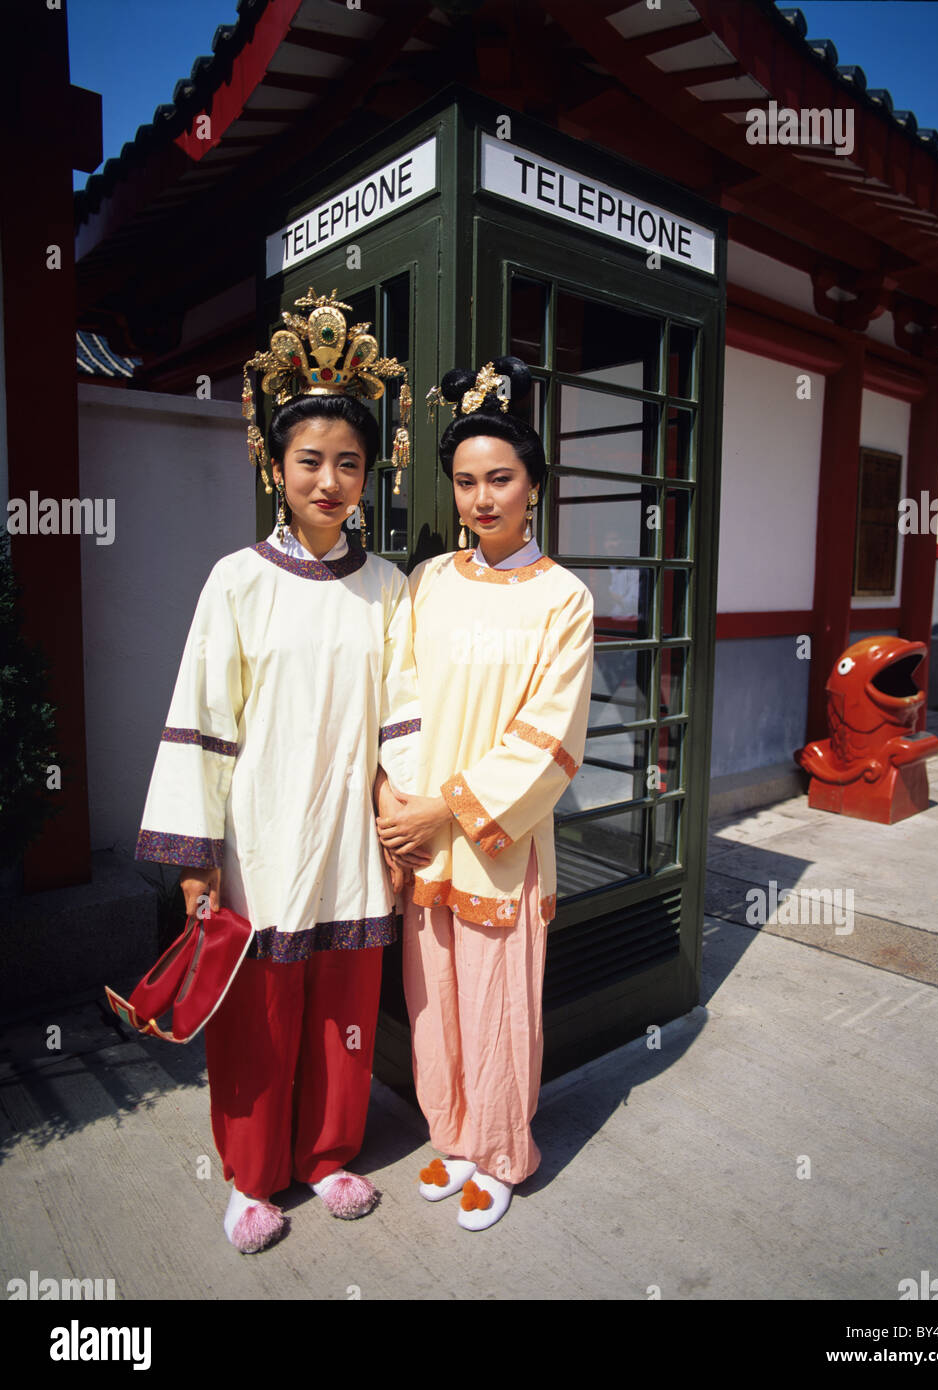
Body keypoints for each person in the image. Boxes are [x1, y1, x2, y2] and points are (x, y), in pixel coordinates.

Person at [135, 289, 420, 1253]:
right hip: (259, 839)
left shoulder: (388, 588)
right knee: (256, 1015)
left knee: (344, 1005)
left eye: (349, 462)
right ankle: (252, 1179)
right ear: (275, 465)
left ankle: (330, 1153)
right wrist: (195, 854)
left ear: (369, 472)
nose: (331, 480)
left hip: (348, 838)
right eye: (311, 461)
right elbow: (201, 720)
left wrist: (404, 823)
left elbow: (403, 719)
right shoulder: (238, 580)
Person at [376, 357, 594, 1231]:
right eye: (465, 481)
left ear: (533, 485)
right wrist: (401, 800)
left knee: (501, 1004)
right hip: (424, 834)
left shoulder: (563, 600)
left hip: (499, 840)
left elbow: (549, 737)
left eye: (499, 478)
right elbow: (401, 695)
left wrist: (447, 805)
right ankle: (455, 1138)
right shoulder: (429, 581)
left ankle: (504, 1152)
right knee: (433, 999)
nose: (480, 498)